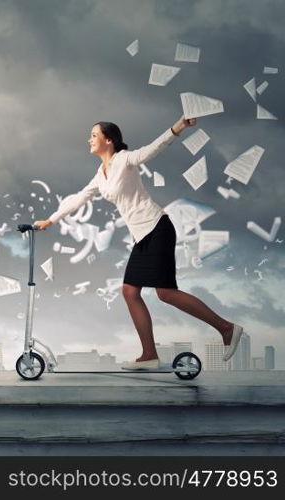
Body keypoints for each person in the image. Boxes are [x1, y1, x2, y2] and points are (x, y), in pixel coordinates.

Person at [33, 117, 244, 370]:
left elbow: (153, 148)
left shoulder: (124, 160)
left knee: (165, 293)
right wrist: (51, 220)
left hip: (157, 228)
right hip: (142, 236)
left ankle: (227, 328)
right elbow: (78, 198)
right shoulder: (101, 175)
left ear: (108, 140)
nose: (89, 139)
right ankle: (149, 355)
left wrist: (178, 127)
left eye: (94, 135)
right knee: (130, 292)